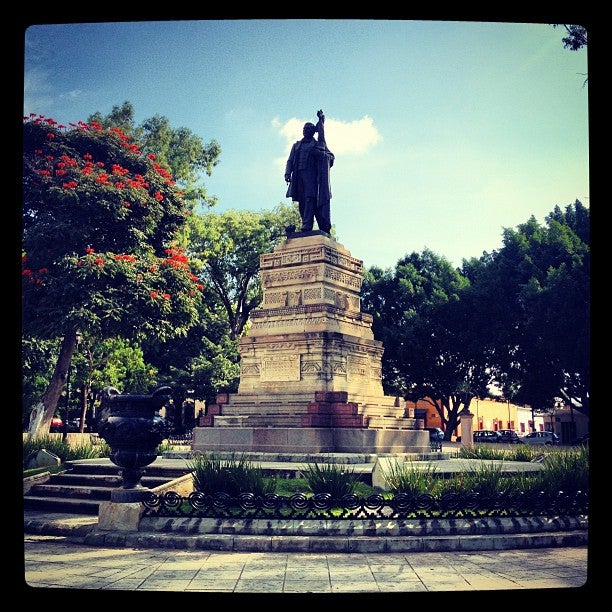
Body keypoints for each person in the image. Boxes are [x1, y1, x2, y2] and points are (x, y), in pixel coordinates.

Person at [285, 110, 335, 233]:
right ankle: (305, 222)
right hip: (298, 176)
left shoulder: (317, 145)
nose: (305, 130)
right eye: (304, 128)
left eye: (307, 129)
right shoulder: (296, 145)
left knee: (309, 198)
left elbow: (330, 157)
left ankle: (307, 225)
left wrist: (319, 154)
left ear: (312, 132)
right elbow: (290, 160)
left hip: (312, 176)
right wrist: (287, 173)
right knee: (302, 200)